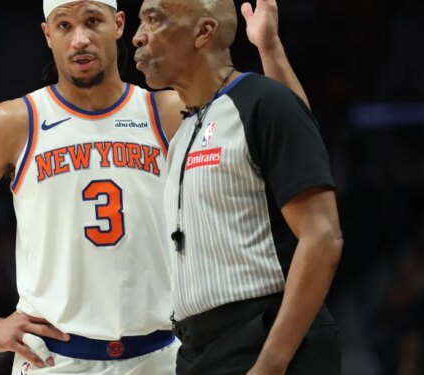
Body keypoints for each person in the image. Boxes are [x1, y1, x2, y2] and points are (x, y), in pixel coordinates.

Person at [0, 0, 307, 373]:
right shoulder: (12, 123)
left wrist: (270, 49)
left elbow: (290, 136)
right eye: (64, 25)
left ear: (118, 26)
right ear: (48, 35)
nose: (80, 38)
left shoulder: (166, 111)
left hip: (162, 356)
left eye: (92, 22)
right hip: (55, 361)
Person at [133, 0, 343, 374]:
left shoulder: (260, 103)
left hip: (265, 339)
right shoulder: (185, 130)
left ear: (203, 31)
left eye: (153, 19)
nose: (137, 37)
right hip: (197, 348)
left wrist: (270, 364)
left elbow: (323, 237)